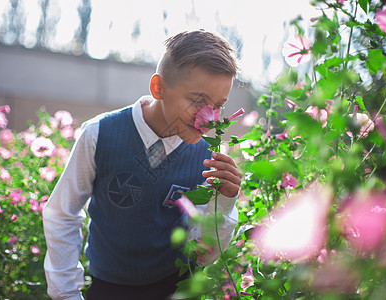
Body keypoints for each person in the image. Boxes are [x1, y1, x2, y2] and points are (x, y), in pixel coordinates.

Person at [43, 29, 241, 300]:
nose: (209, 119)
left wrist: (225, 202)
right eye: (198, 101)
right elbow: (62, 214)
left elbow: (205, 252)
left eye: (218, 106)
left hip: (176, 289)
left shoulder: (209, 157)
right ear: (159, 88)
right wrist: (66, 293)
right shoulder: (99, 134)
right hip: (108, 287)